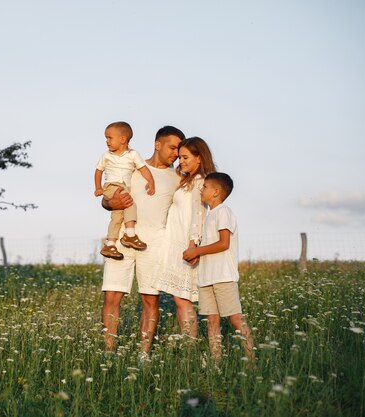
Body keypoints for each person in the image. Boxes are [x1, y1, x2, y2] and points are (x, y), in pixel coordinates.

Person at [101, 125, 184, 360]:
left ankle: (144, 355)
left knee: (150, 299)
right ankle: (109, 354)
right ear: (157, 144)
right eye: (172, 147)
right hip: (121, 241)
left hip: (155, 243)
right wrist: (111, 203)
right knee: (112, 296)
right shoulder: (132, 167)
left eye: (179, 150)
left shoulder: (177, 178)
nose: (175, 154)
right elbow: (107, 201)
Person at [182, 172, 254, 363]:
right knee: (212, 321)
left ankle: (252, 361)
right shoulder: (209, 215)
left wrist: (197, 251)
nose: (201, 189)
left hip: (223, 276)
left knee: (235, 318)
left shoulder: (223, 212)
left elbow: (223, 244)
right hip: (206, 277)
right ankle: (216, 362)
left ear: (216, 192)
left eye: (204, 187)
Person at [153, 137, 216, 339]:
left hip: (185, 244)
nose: (181, 161)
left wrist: (192, 245)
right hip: (175, 242)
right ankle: (189, 343)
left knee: (183, 299)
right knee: (180, 299)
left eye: (185, 157)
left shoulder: (200, 181)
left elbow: (199, 214)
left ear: (199, 158)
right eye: (179, 157)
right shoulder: (188, 180)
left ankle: (190, 345)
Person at [94, 121, 155, 260]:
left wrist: (150, 181)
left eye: (110, 138)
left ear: (122, 139)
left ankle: (110, 244)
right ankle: (130, 235)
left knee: (117, 216)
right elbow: (98, 171)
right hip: (111, 186)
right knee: (130, 204)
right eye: (106, 138)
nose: (107, 141)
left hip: (124, 187)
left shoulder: (133, 155)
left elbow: (143, 168)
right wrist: (98, 187)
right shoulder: (106, 155)